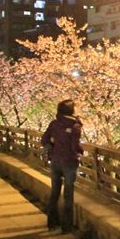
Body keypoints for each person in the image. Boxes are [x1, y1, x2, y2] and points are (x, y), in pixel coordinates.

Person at [41, 99, 83, 231]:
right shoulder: (75, 125)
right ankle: (67, 226)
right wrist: (80, 152)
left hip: (56, 160)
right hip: (69, 161)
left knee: (55, 191)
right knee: (68, 193)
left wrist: (53, 143)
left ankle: (51, 222)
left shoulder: (54, 124)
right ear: (71, 110)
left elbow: (44, 140)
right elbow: (74, 146)